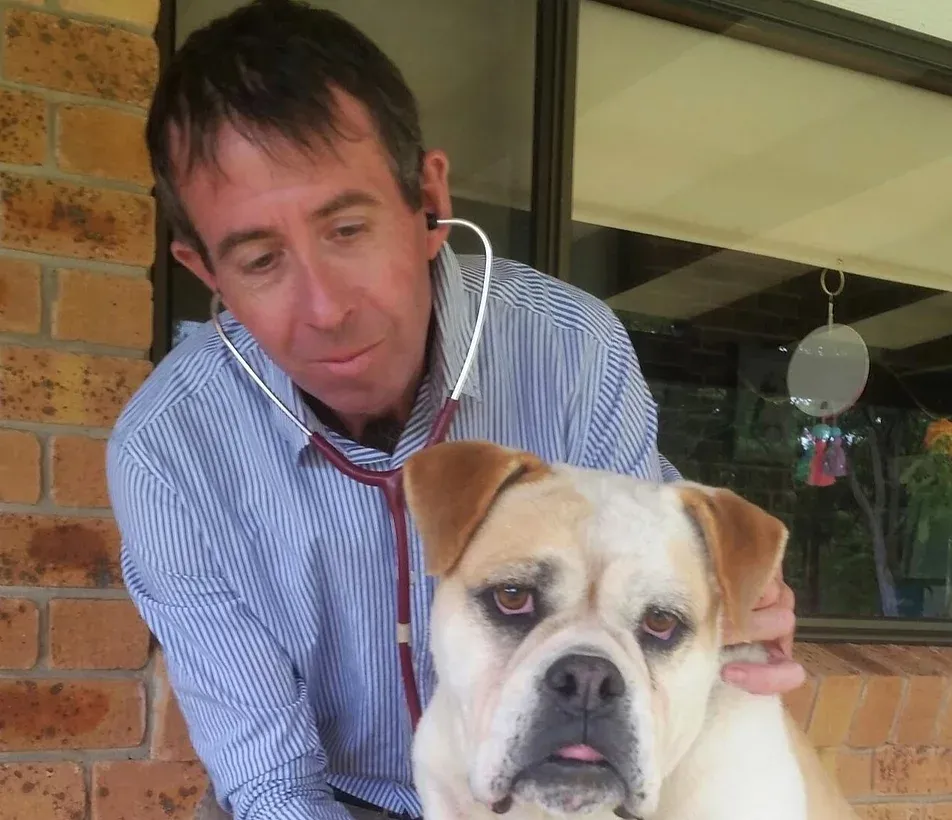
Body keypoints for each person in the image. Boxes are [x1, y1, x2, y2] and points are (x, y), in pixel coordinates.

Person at [106, 2, 803, 819]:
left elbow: (644, 577)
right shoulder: (168, 453)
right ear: (204, 272)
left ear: (429, 201)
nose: (325, 306)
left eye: (349, 229)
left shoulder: (571, 351)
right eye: (260, 260)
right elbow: (270, 783)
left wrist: (723, 604)